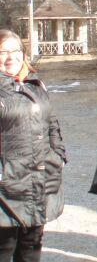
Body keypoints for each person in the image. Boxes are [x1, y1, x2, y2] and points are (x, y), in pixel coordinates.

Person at [0, 29, 66, 262]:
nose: (11, 57)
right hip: (6, 189)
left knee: (30, 251)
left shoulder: (35, 84)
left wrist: (58, 156)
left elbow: (51, 123)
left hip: (37, 183)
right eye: (3, 52)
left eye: (15, 50)